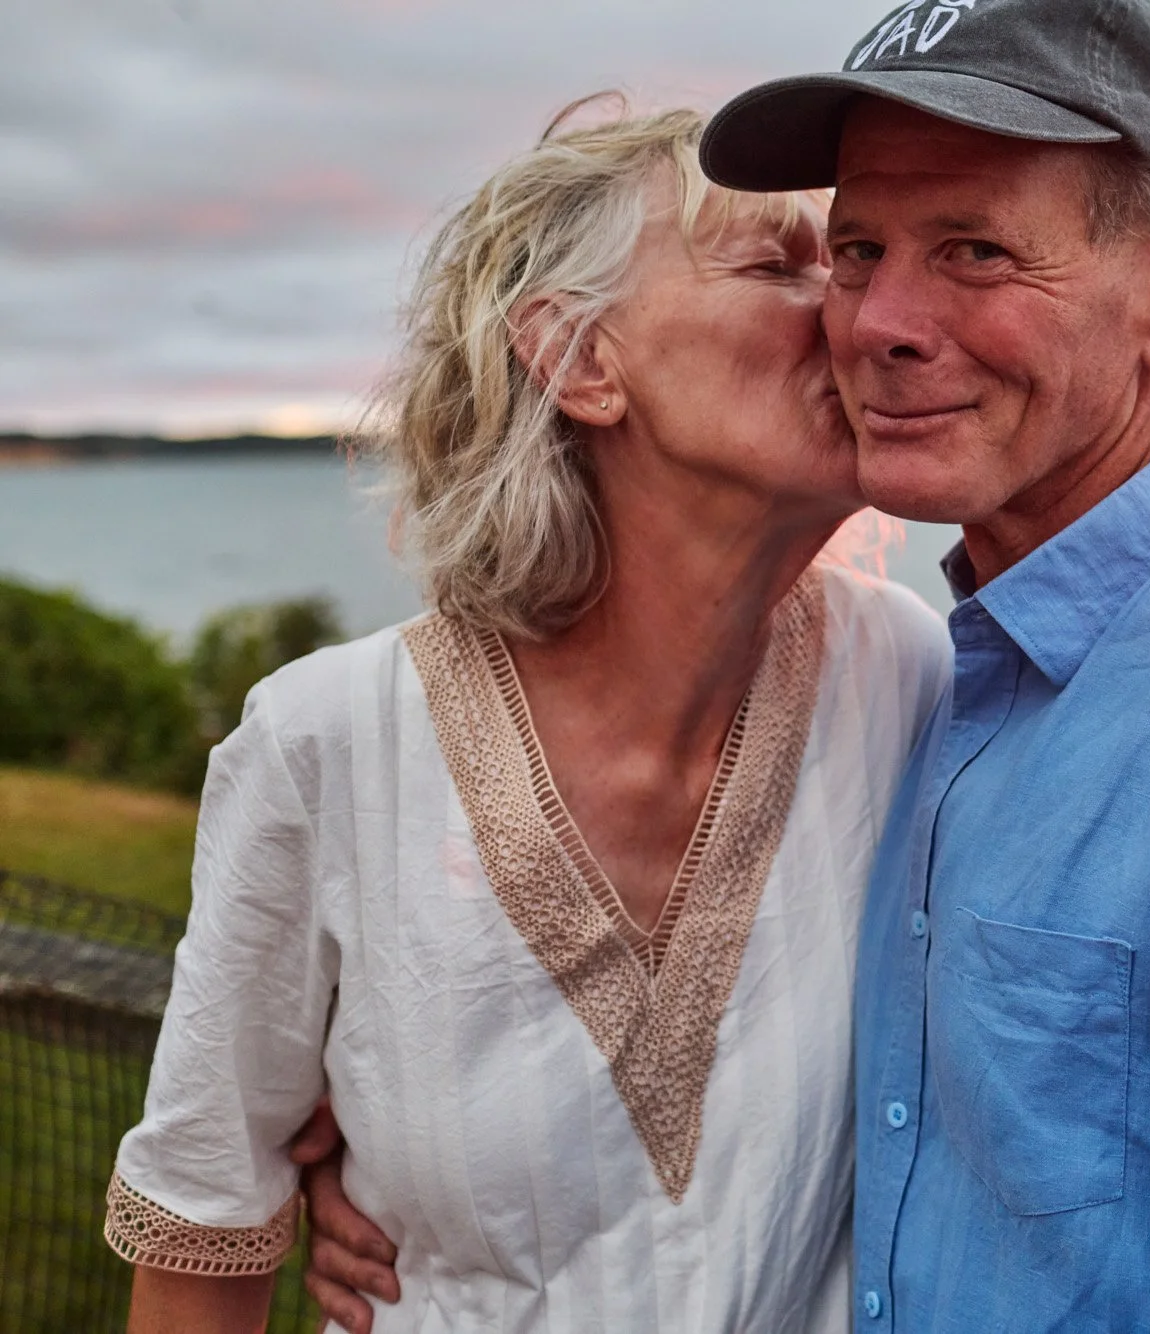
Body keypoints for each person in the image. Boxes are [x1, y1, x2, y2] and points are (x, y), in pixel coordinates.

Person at [310, 1, 1150, 1327]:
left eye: (975, 250)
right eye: (856, 250)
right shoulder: (931, 678)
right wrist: (403, 1133)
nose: (879, 324)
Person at [105, 101, 948, 1334]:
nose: (860, 310)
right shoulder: (330, 746)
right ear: (578, 358)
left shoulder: (912, 681)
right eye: (780, 264)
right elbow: (202, 1234)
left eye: (849, 260)